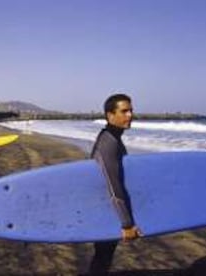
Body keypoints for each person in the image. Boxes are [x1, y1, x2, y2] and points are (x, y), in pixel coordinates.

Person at [88, 93, 142, 274]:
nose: (130, 115)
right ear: (110, 115)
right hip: (105, 208)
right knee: (103, 254)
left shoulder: (115, 138)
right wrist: (127, 223)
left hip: (108, 206)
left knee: (104, 255)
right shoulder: (108, 142)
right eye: (124, 111)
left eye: (131, 110)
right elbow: (112, 182)